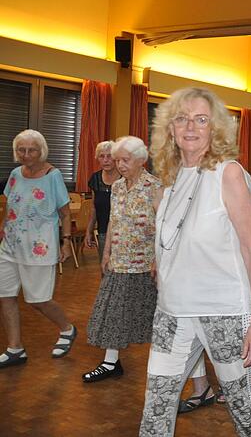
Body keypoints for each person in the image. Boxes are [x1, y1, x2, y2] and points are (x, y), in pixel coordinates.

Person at [139, 87, 251, 437]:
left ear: (216, 129)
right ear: (170, 129)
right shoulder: (168, 181)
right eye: (182, 119)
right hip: (172, 312)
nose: (191, 127)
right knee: (156, 409)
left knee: (243, 407)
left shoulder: (228, 174)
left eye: (201, 119)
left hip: (224, 311)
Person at [83, 136, 160, 382]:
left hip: (145, 265)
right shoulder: (116, 187)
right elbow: (113, 221)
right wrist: (106, 253)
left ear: (141, 159)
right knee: (113, 311)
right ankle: (110, 362)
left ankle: (163, 367)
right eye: (117, 161)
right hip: (119, 261)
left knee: (150, 315)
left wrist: (158, 261)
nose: (120, 165)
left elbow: (163, 227)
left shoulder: (155, 187)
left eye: (125, 160)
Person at [0, 129, 76, 368]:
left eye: (31, 150)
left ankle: (67, 328)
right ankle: (15, 348)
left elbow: (64, 213)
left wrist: (66, 241)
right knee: (6, 296)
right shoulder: (15, 174)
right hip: (10, 245)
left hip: (39, 247)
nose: (26, 154)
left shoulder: (52, 175)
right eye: (21, 150)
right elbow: (9, 206)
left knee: (37, 300)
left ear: (41, 150)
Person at [85, 140, 120, 263]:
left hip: (123, 234)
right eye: (102, 156)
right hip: (103, 233)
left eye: (109, 156)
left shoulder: (125, 178)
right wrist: (88, 231)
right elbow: (94, 207)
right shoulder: (95, 178)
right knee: (105, 271)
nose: (105, 160)